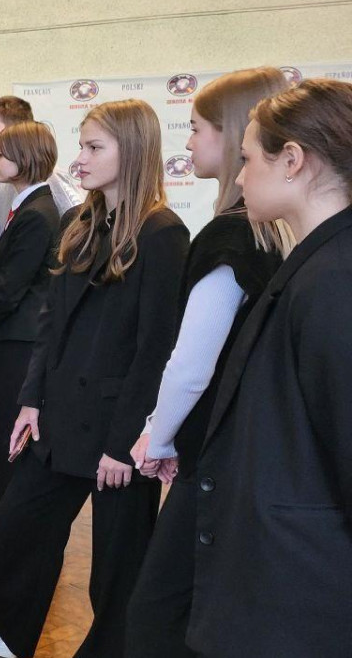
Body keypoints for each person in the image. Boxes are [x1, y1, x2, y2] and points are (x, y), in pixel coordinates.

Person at [0, 100, 190, 658]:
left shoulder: (162, 233)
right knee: (23, 521)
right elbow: (51, 323)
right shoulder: (82, 222)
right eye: (82, 146)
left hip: (118, 429)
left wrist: (125, 444)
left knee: (118, 565)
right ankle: (4, 629)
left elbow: (157, 349)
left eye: (94, 147)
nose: (79, 160)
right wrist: (31, 401)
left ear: (134, 151)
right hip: (59, 417)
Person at [123, 67, 288, 658]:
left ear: (234, 133)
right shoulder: (274, 236)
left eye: (196, 128)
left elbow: (191, 366)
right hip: (250, 454)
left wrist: (159, 435)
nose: (188, 142)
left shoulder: (228, 236)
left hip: (214, 456)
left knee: (156, 613)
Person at [187, 79, 352, 658]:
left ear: (292, 160)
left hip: (304, 594)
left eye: (249, 159)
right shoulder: (313, 264)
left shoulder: (334, 280)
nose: (239, 177)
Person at [0, 96, 81, 513]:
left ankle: (7, 528)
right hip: (17, 335)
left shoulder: (37, 212)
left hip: (24, 340)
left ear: (24, 157)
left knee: (8, 435)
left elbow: (11, 286)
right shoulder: (26, 206)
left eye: (1, 152)